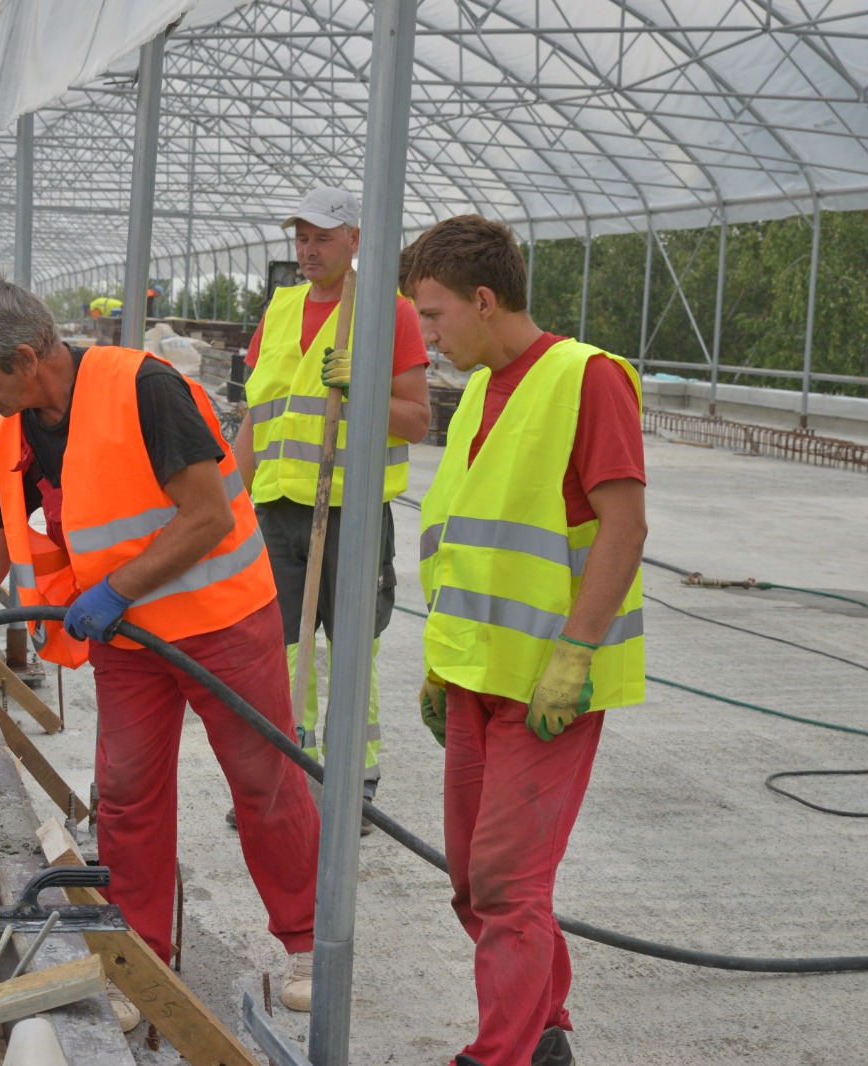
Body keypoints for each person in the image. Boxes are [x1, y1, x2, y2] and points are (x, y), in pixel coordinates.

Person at [0, 272, 321, 1030]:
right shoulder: (11, 440)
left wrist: (116, 587)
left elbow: (206, 516)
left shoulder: (145, 388)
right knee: (127, 793)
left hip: (220, 619)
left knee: (263, 783)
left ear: (25, 356)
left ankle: (306, 944)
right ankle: (139, 962)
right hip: (129, 638)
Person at [405, 215, 646, 1066]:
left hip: (549, 684)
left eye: (433, 315)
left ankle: (498, 1054)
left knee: (509, 882)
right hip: (475, 675)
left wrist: (576, 653)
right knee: (475, 883)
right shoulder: (477, 391)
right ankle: (546, 1032)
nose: (425, 334)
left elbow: (623, 526)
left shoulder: (587, 379)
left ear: (482, 298)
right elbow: (464, 539)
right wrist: (440, 667)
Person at [231, 186, 431, 832]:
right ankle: (287, 776)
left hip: (351, 514)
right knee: (278, 650)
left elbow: (419, 419)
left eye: (321, 236)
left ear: (354, 241)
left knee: (347, 651)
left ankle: (352, 786)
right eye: (301, 237)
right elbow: (254, 419)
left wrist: (365, 387)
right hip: (279, 511)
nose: (308, 249)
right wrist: (234, 502)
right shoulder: (281, 309)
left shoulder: (385, 313)